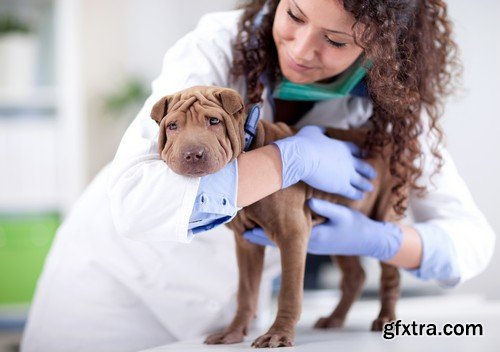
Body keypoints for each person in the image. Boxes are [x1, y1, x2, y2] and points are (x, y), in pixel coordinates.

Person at [21, 0, 495, 351]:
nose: (302, 50)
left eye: (336, 41)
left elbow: (472, 242)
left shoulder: (392, 102)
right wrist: (287, 160)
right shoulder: (214, 50)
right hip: (113, 298)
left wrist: (382, 241)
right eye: (293, 14)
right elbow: (137, 205)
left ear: (381, 49)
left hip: (236, 319)